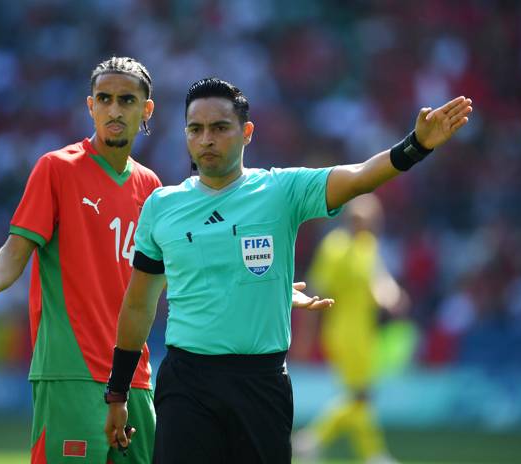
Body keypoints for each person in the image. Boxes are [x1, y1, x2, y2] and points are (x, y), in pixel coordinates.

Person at [104, 77, 472, 463]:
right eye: (196, 129)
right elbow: (138, 304)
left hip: (261, 383)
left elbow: (361, 175)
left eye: (219, 127)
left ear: (246, 133)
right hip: (186, 381)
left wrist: (415, 146)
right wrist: (117, 391)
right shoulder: (161, 206)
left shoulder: (282, 191)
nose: (206, 139)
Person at [0, 56, 162, 464]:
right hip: (70, 373)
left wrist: (257, 286)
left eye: (127, 100)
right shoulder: (56, 169)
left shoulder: (152, 187)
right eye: (105, 99)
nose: (115, 110)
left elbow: (175, 271)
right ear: (90, 106)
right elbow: (15, 249)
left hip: (136, 379)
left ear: (146, 110)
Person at [292, 193, 409, 464]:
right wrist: (304, 337)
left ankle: (314, 440)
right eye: (360, 219)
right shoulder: (335, 248)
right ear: (350, 219)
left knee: (358, 397)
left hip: (365, 332)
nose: (366, 225)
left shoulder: (366, 246)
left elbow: (379, 281)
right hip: (343, 332)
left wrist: (394, 298)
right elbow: (316, 291)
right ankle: (372, 455)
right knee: (361, 395)